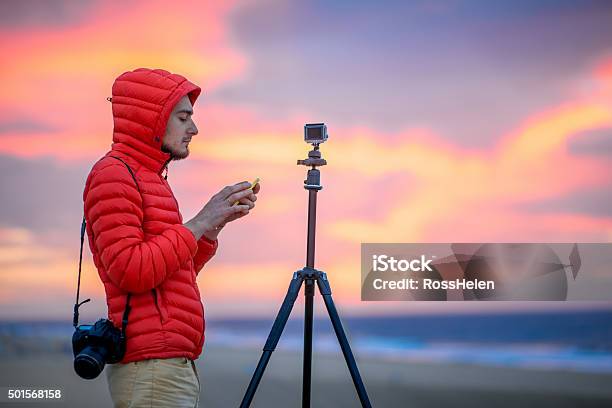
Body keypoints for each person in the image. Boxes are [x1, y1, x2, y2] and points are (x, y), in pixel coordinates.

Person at [82, 68, 260, 407]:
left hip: (168, 365)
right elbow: (130, 270)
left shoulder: (149, 178)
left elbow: (170, 274)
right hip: (151, 369)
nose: (194, 129)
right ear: (153, 118)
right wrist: (199, 221)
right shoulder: (114, 175)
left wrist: (211, 228)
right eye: (183, 118)